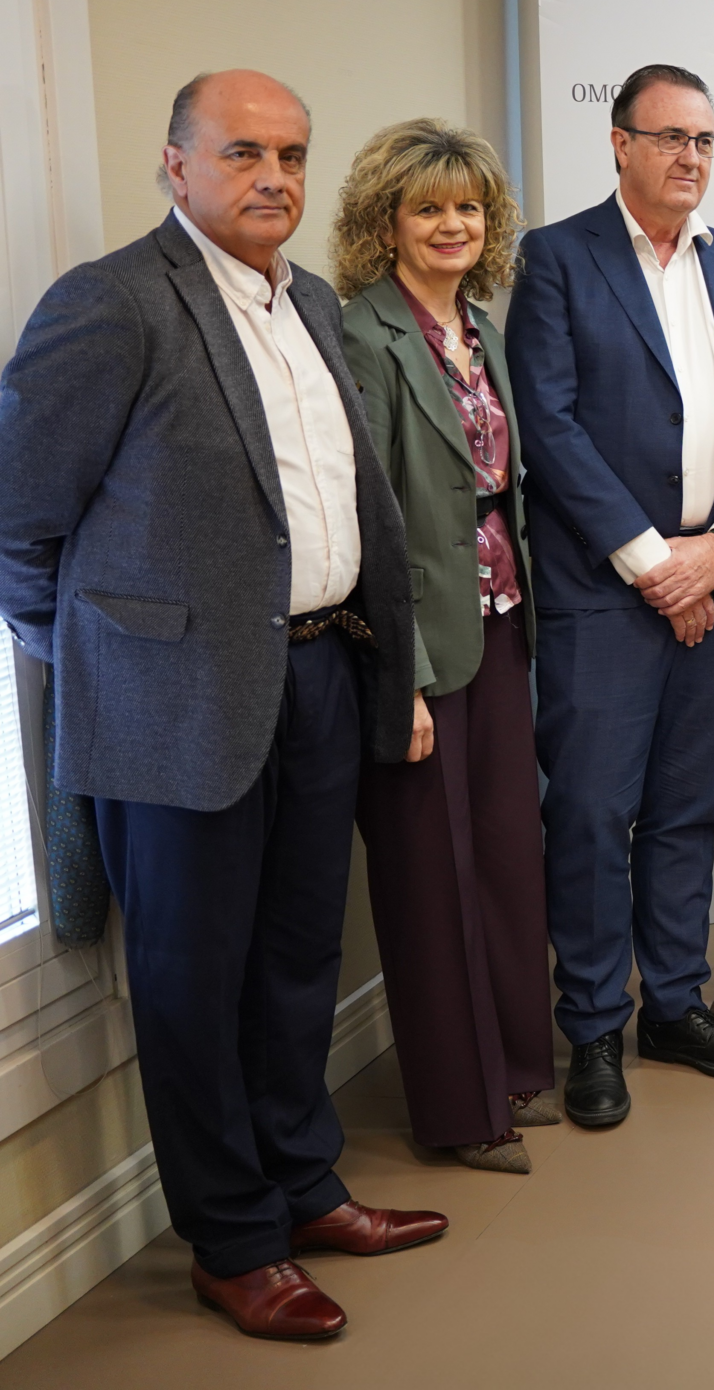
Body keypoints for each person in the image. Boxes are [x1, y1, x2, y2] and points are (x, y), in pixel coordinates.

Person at [0, 71, 442, 1340]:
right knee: (192, 976)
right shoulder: (113, 301)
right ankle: (234, 1240)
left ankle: (305, 1186)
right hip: (176, 703)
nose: (274, 178)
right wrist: (103, 659)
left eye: (292, 155)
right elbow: (19, 517)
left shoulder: (308, 302)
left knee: (298, 954)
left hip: (320, 669)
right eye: (243, 152)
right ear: (176, 162)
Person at [506, 63, 714, 1126]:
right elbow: (549, 427)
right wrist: (654, 563)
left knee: (687, 810)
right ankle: (595, 1024)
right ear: (620, 143)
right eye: (670, 136)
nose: (691, 156)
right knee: (593, 812)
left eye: (705, 140)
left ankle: (674, 1005)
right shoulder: (557, 259)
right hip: (607, 596)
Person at [334, 120, 555, 1171]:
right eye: (428, 208)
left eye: (468, 206)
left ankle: (516, 1064)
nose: (452, 224)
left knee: (507, 855)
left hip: (499, 624)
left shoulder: (479, 326)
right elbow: (369, 521)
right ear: (386, 225)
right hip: (417, 644)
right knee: (430, 875)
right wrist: (404, 679)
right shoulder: (362, 335)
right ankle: (461, 1111)